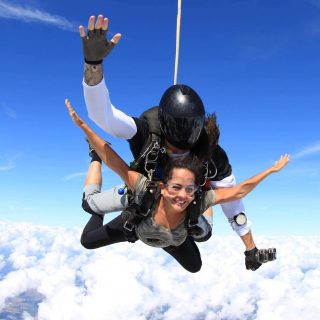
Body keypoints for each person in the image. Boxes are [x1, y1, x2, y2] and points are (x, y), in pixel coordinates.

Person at [79, 14, 275, 271]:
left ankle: (173, 230)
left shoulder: (213, 157)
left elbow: (233, 202)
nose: (183, 141)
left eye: (191, 129)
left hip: (180, 215)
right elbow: (102, 115)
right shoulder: (147, 131)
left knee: (201, 238)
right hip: (138, 202)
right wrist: (93, 65)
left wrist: (250, 248)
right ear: (164, 124)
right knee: (88, 212)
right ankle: (95, 160)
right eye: (177, 130)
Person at [65, 99, 290, 273]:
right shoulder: (145, 189)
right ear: (162, 186)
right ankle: (96, 200)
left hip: (173, 236)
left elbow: (238, 192)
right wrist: (85, 128)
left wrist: (270, 171)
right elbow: (113, 160)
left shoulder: (197, 199)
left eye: (189, 189)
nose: (182, 196)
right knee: (88, 231)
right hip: (137, 223)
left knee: (196, 262)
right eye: (176, 187)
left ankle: (182, 222)